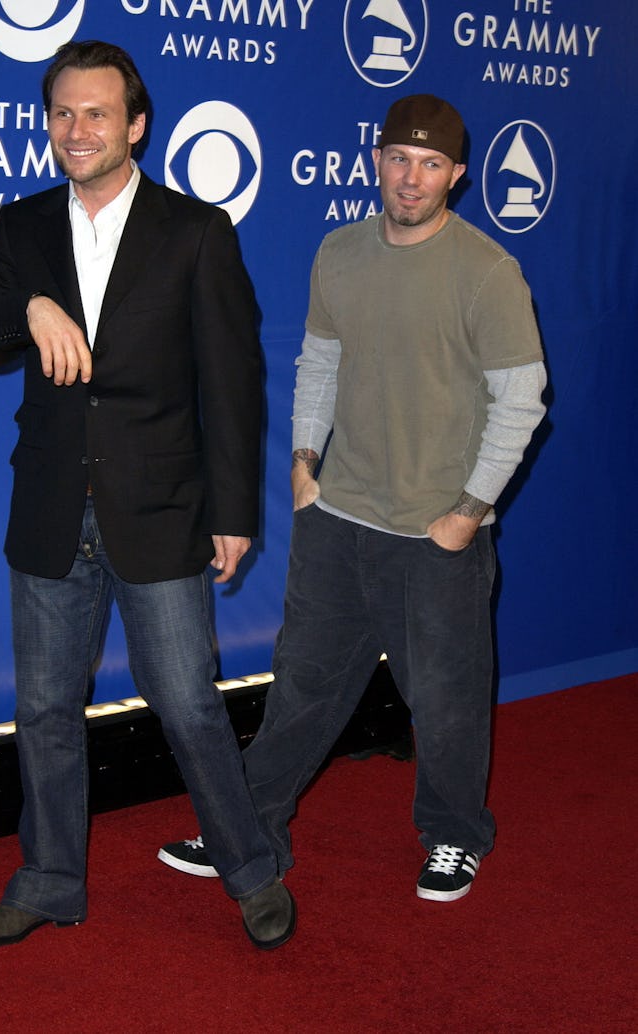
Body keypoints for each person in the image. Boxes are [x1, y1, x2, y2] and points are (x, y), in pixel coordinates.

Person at [0, 40, 295, 951]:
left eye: (96, 113)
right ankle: (50, 880)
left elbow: (234, 380)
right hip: (53, 509)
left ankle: (251, 868)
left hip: (162, 507)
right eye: (61, 113)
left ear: (135, 124)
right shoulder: (21, 230)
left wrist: (232, 512)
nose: (76, 130)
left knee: (187, 704)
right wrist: (27, 307)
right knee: (44, 712)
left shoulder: (194, 231)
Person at [158, 94, 547, 903]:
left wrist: (466, 513)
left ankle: (453, 836)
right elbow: (321, 363)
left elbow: (522, 401)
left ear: (458, 175)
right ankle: (248, 825)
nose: (412, 178)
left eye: (431, 164)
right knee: (301, 685)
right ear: (376, 159)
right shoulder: (338, 251)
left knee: (444, 702)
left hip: (436, 532)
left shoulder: (487, 272)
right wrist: (306, 466)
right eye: (400, 159)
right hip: (338, 520)